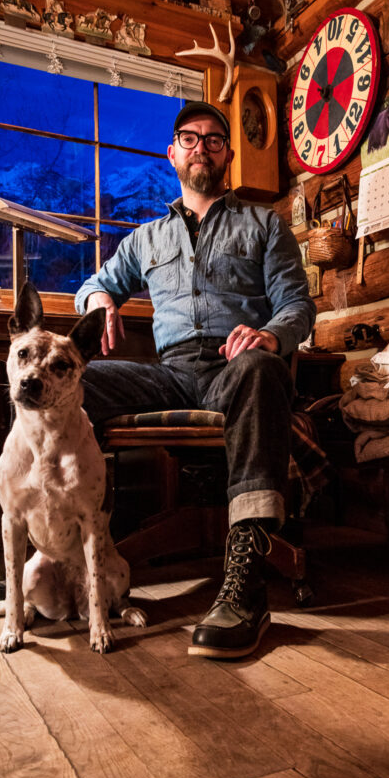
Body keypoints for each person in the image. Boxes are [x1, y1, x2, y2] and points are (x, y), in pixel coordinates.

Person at [75, 101, 315, 659]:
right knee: (68, 382)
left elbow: (297, 307)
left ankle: (248, 583)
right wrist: (100, 300)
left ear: (227, 154)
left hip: (237, 368)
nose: (201, 147)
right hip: (172, 374)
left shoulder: (265, 224)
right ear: (172, 152)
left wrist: (269, 336)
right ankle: (56, 555)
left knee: (260, 368)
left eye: (213, 139)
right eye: (190, 138)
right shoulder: (145, 239)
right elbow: (94, 282)